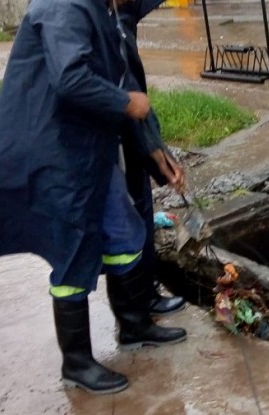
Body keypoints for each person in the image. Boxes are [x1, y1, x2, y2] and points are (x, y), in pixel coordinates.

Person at [0, 0, 187, 395]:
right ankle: (76, 362)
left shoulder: (103, 9)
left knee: (124, 231)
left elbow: (120, 78)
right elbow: (72, 79)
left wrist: (155, 149)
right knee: (72, 245)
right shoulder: (63, 7)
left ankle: (134, 323)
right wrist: (127, 104)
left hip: (88, 148)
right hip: (55, 151)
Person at [115, 0, 188, 317]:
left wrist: (158, 151)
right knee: (128, 220)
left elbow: (136, 99)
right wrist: (156, 152)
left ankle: (142, 300)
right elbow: (128, 98)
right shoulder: (100, 21)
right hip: (112, 139)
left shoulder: (121, 15)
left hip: (123, 131)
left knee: (138, 211)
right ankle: (138, 307)